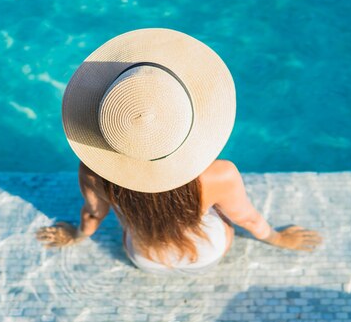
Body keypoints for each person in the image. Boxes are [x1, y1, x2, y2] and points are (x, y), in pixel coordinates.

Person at [35, 28, 322, 274]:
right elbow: (247, 219)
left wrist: (75, 234)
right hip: (207, 254)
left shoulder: (92, 173)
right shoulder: (220, 175)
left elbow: (93, 216)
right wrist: (279, 239)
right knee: (220, 219)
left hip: (144, 258)